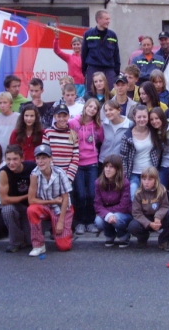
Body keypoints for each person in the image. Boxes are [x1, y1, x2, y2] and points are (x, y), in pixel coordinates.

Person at [27, 144, 74, 256]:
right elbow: (31, 200)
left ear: (50, 159)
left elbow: (65, 198)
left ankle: (63, 228)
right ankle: (38, 245)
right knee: (31, 210)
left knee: (64, 246)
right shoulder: (34, 175)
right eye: (38, 158)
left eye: (44, 158)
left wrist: (60, 221)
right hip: (45, 206)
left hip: (61, 208)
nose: (41, 161)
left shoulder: (60, 173)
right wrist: (53, 201)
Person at [69, 98, 104, 234]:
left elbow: (101, 140)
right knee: (80, 194)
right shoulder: (73, 122)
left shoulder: (97, 126)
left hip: (92, 163)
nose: (92, 109)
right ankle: (80, 222)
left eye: (95, 108)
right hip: (77, 163)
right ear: (85, 107)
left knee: (92, 194)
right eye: (90, 106)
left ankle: (90, 221)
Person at [127, 166, 169, 251]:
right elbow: (136, 213)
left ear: (155, 180)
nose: (146, 182)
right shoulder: (138, 193)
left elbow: (165, 206)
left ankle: (164, 240)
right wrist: (149, 224)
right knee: (132, 226)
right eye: (144, 179)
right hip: (145, 219)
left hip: (159, 219)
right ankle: (143, 238)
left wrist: (158, 217)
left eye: (150, 179)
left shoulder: (162, 190)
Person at [0, 145, 35, 253]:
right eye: (8, 159)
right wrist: (27, 196)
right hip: (15, 206)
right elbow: (4, 200)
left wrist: (31, 197)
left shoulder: (32, 167)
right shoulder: (4, 172)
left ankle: (29, 236)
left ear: (22, 158)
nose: (11, 163)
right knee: (7, 209)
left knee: (31, 242)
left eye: (15, 159)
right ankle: (16, 242)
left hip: (31, 206)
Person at [120, 105, 161, 198]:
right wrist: (125, 175)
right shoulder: (127, 136)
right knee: (133, 195)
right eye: (139, 117)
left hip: (151, 171)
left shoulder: (153, 132)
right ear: (134, 117)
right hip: (134, 173)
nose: (142, 119)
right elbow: (123, 158)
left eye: (144, 117)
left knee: (151, 198)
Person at [94, 154, 132, 248]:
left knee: (117, 218)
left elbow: (123, 206)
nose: (107, 169)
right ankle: (109, 235)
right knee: (98, 221)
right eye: (106, 166)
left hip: (123, 214)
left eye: (111, 167)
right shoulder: (98, 183)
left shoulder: (125, 183)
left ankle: (124, 236)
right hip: (107, 213)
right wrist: (107, 215)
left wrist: (108, 213)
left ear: (117, 169)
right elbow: (97, 204)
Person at [81, 9, 120, 90]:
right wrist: (85, 71)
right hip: (93, 69)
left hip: (109, 70)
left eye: (109, 19)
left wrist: (116, 72)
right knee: (91, 93)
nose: (109, 21)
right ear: (99, 20)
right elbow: (84, 53)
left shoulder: (112, 35)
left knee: (110, 93)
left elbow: (116, 55)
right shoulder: (88, 34)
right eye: (106, 19)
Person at [42, 104, 80, 184]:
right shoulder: (48, 132)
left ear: (68, 116)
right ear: (55, 117)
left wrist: (68, 178)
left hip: (67, 177)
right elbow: (45, 154)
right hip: (51, 176)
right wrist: (53, 174)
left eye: (64, 116)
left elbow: (75, 157)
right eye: (59, 116)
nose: (62, 119)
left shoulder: (73, 134)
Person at [99, 100, 132, 168]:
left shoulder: (129, 124)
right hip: (104, 161)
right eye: (106, 110)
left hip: (120, 163)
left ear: (119, 110)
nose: (108, 112)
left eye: (111, 109)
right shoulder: (103, 124)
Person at [53, 28, 85, 97]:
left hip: (85, 85)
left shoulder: (86, 57)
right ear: (71, 46)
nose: (76, 46)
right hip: (73, 85)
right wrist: (56, 37)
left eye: (78, 44)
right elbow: (57, 51)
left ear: (82, 45)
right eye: (74, 44)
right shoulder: (69, 57)